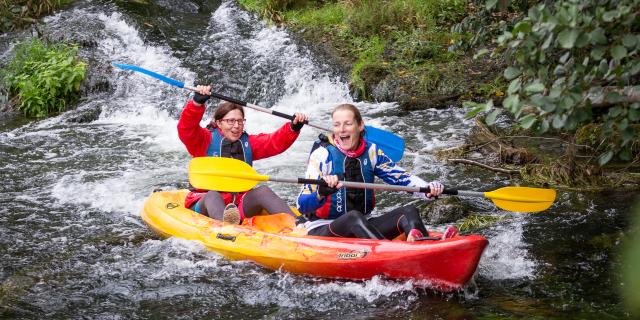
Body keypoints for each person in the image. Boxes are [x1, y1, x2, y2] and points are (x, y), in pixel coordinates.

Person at [296, 103, 458, 242]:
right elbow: (301, 205)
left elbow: (401, 178)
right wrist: (321, 193)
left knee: (409, 211)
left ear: (360, 126)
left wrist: (428, 189)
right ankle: (390, 254)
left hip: (364, 225)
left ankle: (424, 246)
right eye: (337, 125)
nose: (342, 129)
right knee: (353, 217)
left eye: (348, 124)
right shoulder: (323, 155)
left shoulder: (371, 152)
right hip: (324, 228)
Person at [178, 85, 308, 224]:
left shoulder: (248, 143)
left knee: (262, 191)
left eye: (240, 121)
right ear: (219, 123)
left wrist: (293, 127)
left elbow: (273, 142)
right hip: (205, 204)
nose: (236, 126)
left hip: (237, 203)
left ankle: (300, 225)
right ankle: (227, 229)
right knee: (213, 196)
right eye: (231, 121)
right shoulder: (203, 140)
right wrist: (197, 103)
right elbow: (186, 128)